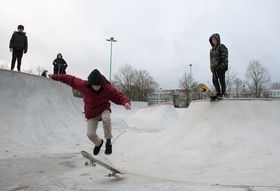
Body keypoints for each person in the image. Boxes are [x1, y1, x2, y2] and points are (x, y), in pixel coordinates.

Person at [48, 69, 131, 155]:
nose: (96, 87)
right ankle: (98, 143)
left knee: (106, 119)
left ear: (101, 84)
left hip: (103, 109)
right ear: (90, 83)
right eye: (94, 85)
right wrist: (54, 76)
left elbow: (117, 95)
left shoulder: (107, 88)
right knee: (90, 134)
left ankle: (108, 141)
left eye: (98, 85)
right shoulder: (83, 85)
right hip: (92, 113)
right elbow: (70, 79)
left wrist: (125, 102)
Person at [209, 33, 228, 99]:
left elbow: (225, 56)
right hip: (214, 68)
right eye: (212, 40)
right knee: (214, 80)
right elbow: (211, 60)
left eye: (214, 40)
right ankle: (218, 93)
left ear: (217, 40)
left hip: (221, 67)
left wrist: (222, 65)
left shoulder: (221, 46)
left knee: (221, 80)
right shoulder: (211, 50)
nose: (213, 41)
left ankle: (223, 92)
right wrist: (211, 68)